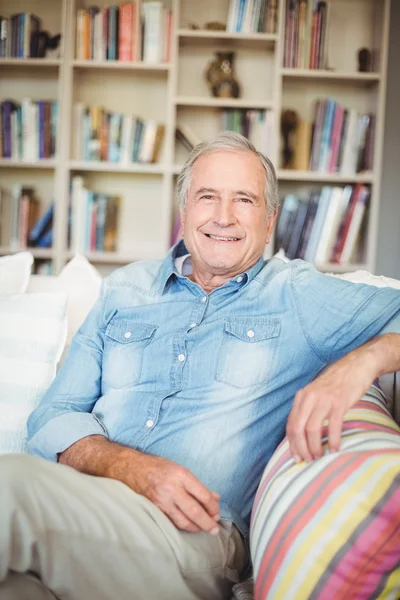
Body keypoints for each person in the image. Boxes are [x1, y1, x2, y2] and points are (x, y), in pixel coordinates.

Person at [1, 131, 400, 600]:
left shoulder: (296, 295)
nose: (223, 217)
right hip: (74, 507)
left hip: (193, 535)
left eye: (245, 200)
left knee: (8, 483)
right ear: (184, 210)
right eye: (207, 197)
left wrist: (360, 363)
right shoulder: (126, 289)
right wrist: (127, 466)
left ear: (270, 220)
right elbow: (53, 413)